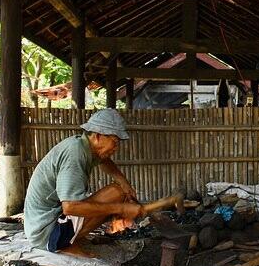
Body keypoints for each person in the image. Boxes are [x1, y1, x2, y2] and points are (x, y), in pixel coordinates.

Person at [24, 108, 182, 257]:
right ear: (98, 136)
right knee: (115, 196)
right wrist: (121, 207)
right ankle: (63, 244)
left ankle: (72, 237)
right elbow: (70, 206)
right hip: (44, 233)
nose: (116, 147)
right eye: (114, 141)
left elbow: (104, 161)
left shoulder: (83, 145)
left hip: (48, 222)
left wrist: (125, 183)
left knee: (118, 191)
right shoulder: (75, 154)